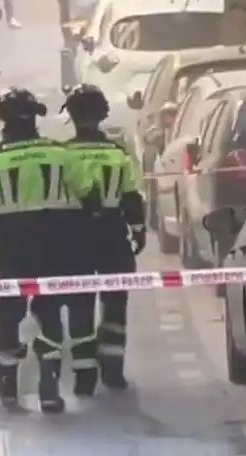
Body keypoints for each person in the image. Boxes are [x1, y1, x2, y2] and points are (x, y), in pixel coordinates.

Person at [0, 89, 97, 412]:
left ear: (3, 119)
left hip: (14, 248)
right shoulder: (59, 153)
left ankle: (8, 383)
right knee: (49, 312)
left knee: (10, 315)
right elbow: (88, 196)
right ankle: (49, 388)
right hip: (56, 246)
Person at [61, 84, 146, 392]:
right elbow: (131, 195)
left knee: (80, 302)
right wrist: (138, 229)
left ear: (70, 116)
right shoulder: (117, 153)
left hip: (73, 235)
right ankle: (112, 371)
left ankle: (84, 376)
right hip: (113, 235)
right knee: (114, 302)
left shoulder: (62, 155)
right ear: (103, 115)